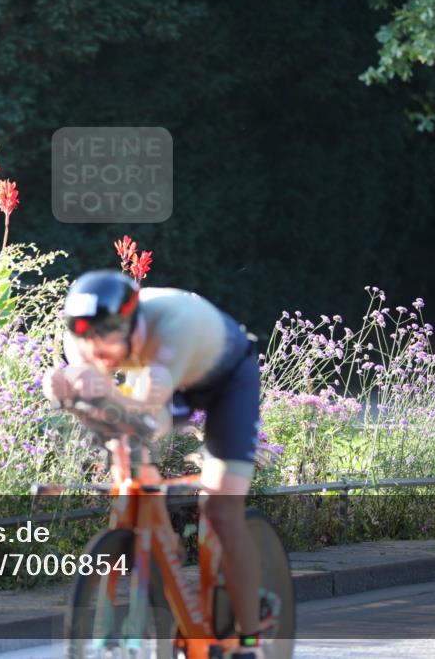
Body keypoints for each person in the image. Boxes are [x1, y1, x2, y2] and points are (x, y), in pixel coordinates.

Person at [42, 269, 268, 656]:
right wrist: (66, 395)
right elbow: (99, 408)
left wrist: (106, 396)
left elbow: (151, 414)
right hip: (159, 381)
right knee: (127, 466)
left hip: (225, 379)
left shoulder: (172, 324)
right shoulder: (82, 336)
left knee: (221, 510)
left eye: (105, 335)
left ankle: (250, 635)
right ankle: (161, 544)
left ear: (132, 323)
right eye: (85, 336)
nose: (94, 347)